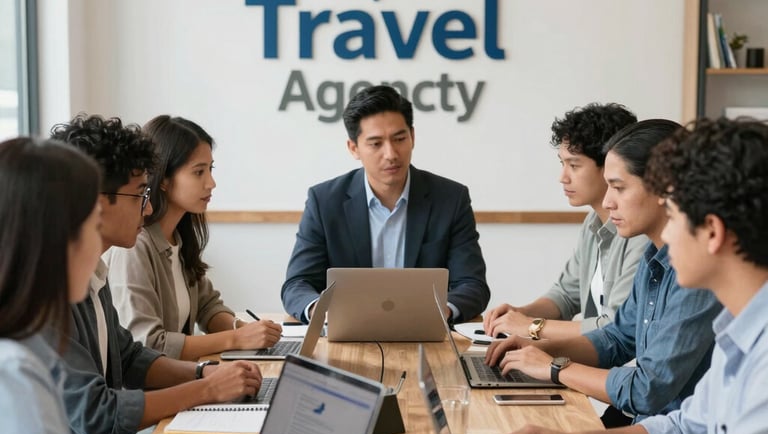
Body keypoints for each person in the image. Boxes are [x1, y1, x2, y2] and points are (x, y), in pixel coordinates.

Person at [493, 117, 768, 434]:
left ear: (711, 231)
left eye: (672, 215)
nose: (665, 235)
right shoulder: (743, 332)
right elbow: (685, 430)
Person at [0, 137, 278, 434]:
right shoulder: (15, 370)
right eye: (90, 225)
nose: (98, 245)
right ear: (55, 238)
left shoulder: (21, 338)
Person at [49, 114, 264, 434]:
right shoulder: (49, 296)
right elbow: (97, 416)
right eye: (139, 195)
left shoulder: (94, 273)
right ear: (98, 202)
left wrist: (204, 372)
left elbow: (130, 355)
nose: (148, 209)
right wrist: (206, 388)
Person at [486, 120, 722, 426]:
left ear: (666, 188)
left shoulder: (697, 273)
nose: (608, 201)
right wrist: (537, 349)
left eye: (619, 187)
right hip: (651, 430)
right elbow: (619, 338)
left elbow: (647, 390)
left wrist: (555, 366)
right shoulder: (654, 256)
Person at [281, 85, 490, 323]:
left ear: (412, 136)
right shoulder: (325, 201)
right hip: (347, 333)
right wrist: (321, 312)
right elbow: (297, 284)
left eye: (399, 139)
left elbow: (472, 284)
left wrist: (444, 310)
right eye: (376, 143)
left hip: (425, 333)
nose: (391, 153)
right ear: (354, 148)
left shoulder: (450, 198)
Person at [107, 115, 282, 360]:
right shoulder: (134, 247)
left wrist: (244, 330)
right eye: (198, 172)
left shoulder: (178, 238)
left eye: (210, 170)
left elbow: (209, 307)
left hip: (180, 379)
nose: (211, 183)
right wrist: (237, 339)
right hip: (156, 393)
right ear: (164, 179)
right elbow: (148, 344)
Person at [483, 103, 647, 340]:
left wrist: (531, 327)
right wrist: (520, 314)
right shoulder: (593, 222)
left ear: (611, 164)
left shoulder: (640, 234)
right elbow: (566, 295)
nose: (563, 177)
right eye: (562, 164)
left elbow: (615, 327)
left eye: (574, 165)